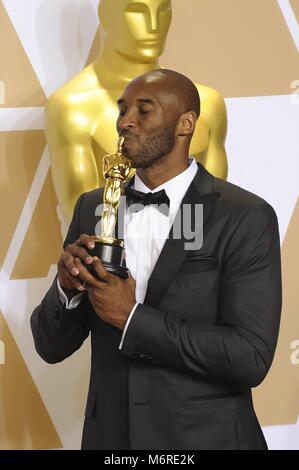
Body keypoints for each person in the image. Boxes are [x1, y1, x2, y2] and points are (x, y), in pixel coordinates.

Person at [31, 69, 282, 450]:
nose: (125, 121)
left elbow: (250, 355)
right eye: (123, 109)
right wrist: (66, 290)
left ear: (186, 124)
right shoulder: (94, 206)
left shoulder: (243, 215)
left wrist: (131, 318)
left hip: (206, 440)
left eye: (144, 111)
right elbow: (51, 347)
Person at [45, 0, 227, 224]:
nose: (153, 25)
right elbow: (83, 221)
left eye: (162, 11)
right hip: (112, 255)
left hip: (194, 252)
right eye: (137, 11)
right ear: (106, 15)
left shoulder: (207, 104)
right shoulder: (73, 107)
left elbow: (215, 217)